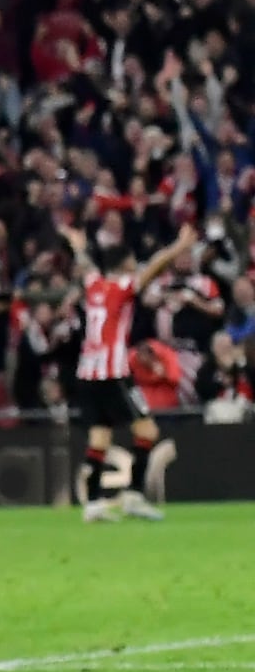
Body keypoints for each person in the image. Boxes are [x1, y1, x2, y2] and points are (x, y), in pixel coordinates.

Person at [62, 222, 198, 522]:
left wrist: (77, 245)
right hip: (112, 374)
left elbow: (85, 264)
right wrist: (179, 246)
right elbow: (155, 267)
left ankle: (94, 504)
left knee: (99, 438)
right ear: (124, 264)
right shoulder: (121, 287)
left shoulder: (93, 284)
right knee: (147, 431)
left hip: (87, 374)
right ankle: (134, 497)